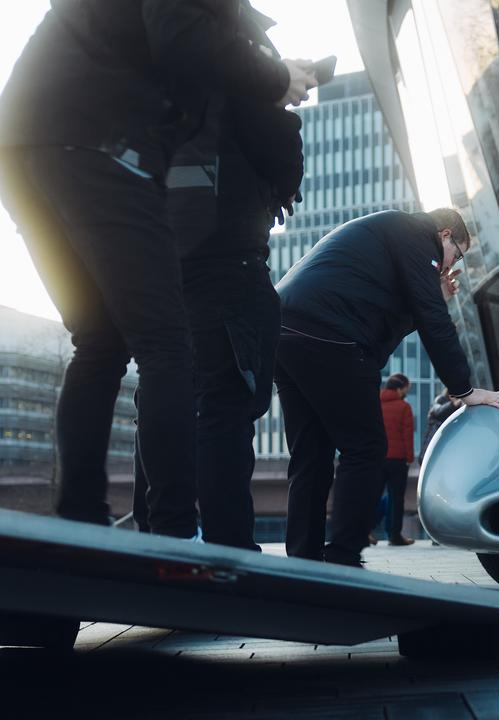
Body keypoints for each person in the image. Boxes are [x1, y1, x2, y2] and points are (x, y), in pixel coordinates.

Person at [0, 1, 313, 538]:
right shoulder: (212, 26)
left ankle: (81, 528)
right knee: (167, 345)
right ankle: (169, 536)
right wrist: (276, 75)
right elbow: (183, 38)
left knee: (99, 339)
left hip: (25, 140)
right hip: (98, 144)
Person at [133, 3, 306, 549]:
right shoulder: (230, 38)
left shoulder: (148, 47)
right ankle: (229, 544)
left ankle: (162, 532)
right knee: (227, 396)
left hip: (159, 237)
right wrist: (285, 174)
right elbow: (269, 127)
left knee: (167, 384)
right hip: (223, 241)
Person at [274, 208, 499, 566]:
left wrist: (429, 298)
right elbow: (433, 320)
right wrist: (463, 389)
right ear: (445, 235)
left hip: (285, 332)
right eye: (457, 254)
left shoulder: (390, 237)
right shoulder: (416, 234)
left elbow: (381, 327)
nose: (451, 263)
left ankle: (304, 560)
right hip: (329, 334)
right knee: (366, 449)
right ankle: (342, 560)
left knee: (312, 454)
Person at [378, 373, 416, 547]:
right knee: (396, 498)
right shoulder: (404, 407)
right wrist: (409, 458)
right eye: (407, 388)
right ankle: (394, 536)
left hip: (377, 457)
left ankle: (364, 532)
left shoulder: (375, 403)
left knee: (372, 497)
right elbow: (407, 435)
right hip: (397, 459)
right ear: (400, 388)